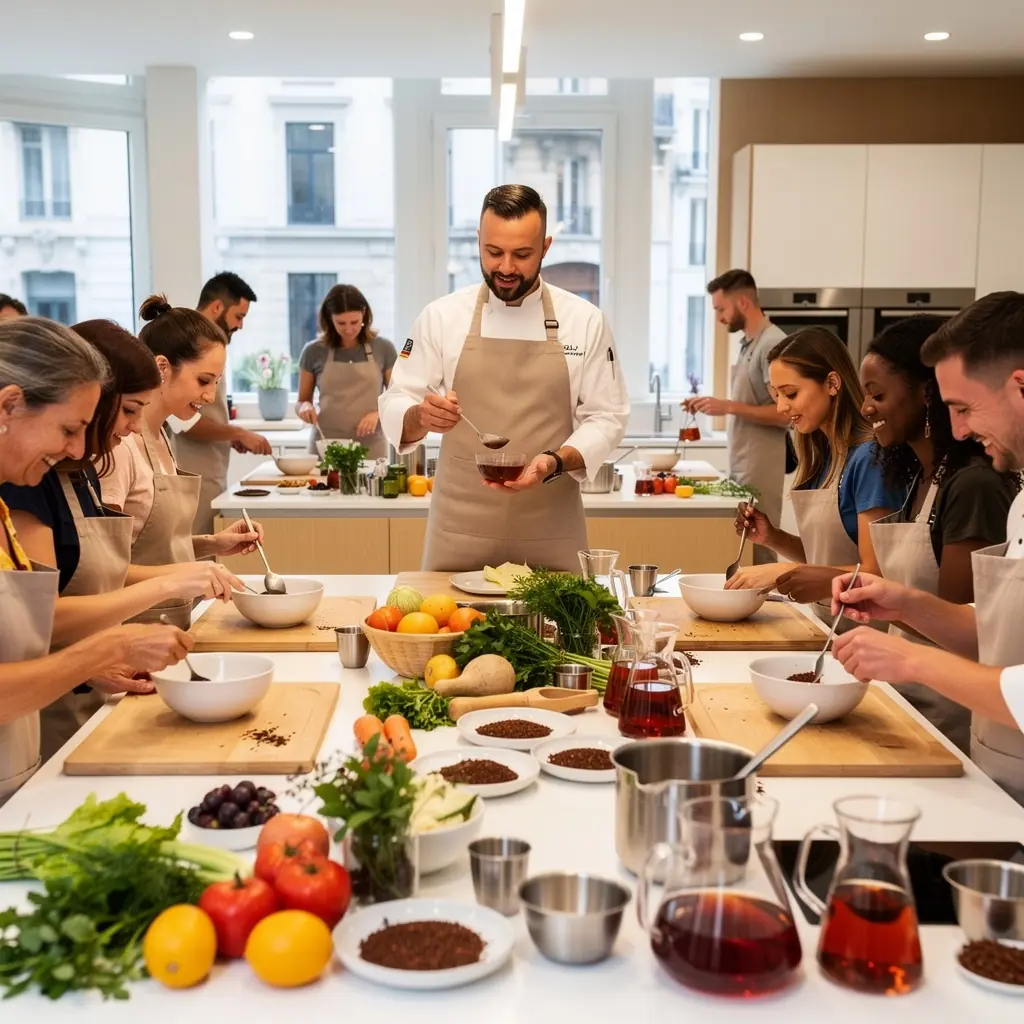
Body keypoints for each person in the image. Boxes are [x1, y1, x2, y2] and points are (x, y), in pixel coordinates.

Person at [1, 319, 245, 759]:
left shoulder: (48, 483)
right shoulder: (25, 488)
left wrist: (95, 664)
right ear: (9, 407)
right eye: (68, 429)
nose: (77, 450)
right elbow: (45, 622)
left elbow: (23, 637)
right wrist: (110, 645)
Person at [830, 292, 1024, 801]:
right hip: (996, 771)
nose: (956, 428)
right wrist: (905, 603)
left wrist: (910, 660)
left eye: (963, 407)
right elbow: (997, 635)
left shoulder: (979, 483)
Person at [380, 184, 629, 572]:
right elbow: (398, 398)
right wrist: (420, 417)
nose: (507, 267)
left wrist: (555, 461)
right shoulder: (442, 317)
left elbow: (607, 416)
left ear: (546, 247)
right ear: (479, 241)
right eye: (494, 252)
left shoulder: (585, 321)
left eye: (523, 254)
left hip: (551, 527)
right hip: (459, 530)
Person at [103, 296, 263, 628]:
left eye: (217, 382)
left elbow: (153, 548)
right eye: (204, 380)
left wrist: (214, 544)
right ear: (162, 368)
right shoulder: (121, 447)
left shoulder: (163, 438)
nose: (211, 396)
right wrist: (190, 573)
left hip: (171, 622)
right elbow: (105, 567)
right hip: (131, 631)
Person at [725, 327, 907, 619]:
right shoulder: (824, 457)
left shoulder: (868, 459)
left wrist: (787, 571)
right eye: (776, 396)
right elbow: (826, 560)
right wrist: (773, 537)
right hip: (829, 626)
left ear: (832, 383)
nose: (782, 407)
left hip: (866, 633)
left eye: (791, 394)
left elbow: (876, 572)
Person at [682, 270, 789, 563]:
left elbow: (785, 414)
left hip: (762, 468)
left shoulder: (771, 344)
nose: (718, 318)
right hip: (744, 464)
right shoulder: (749, 345)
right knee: (746, 548)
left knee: (762, 549)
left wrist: (728, 406)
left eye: (720, 309)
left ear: (742, 302)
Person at [169, 272, 272, 534]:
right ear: (217, 307)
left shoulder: (210, 347)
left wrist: (228, 435)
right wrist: (236, 432)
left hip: (210, 471)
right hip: (189, 473)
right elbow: (184, 421)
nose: (240, 325)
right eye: (239, 316)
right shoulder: (183, 345)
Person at [296, 284, 397, 460]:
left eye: (354, 322)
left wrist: (378, 413)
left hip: (371, 446)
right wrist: (304, 407)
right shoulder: (313, 351)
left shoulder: (383, 348)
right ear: (329, 319)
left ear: (364, 313)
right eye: (341, 323)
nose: (349, 329)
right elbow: (302, 401)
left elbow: (397, 396)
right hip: (326, 446)